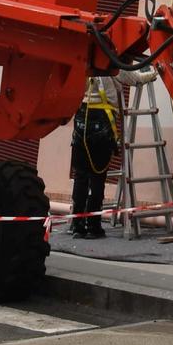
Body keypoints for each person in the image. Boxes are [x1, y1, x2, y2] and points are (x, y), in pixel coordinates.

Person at [69, 78, 119, 238]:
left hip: (81, 122)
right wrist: (153, 73)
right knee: (98, 177)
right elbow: (132, 77)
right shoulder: (112, 64)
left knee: (81, 177)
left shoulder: (84, 65)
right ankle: (93, 225)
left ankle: (77, 225)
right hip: (101, 123)